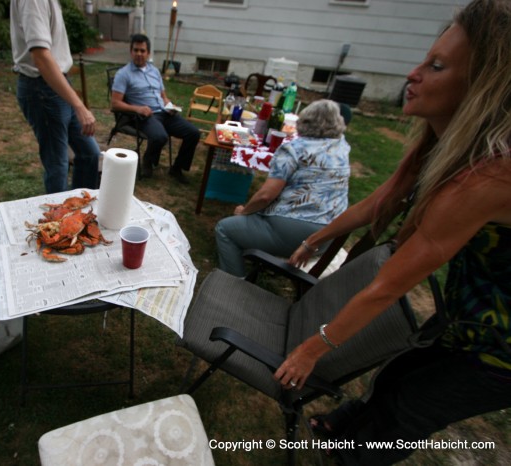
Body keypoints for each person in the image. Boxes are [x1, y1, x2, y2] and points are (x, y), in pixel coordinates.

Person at [273, 1, 511, 464]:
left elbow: (387, 287)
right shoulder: (442, 145)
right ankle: (345, 426)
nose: (413, 73)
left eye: (436, 66)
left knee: (411, 408)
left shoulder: (491, 176)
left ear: (478, 86)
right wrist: (312, 240)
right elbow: (375, 205)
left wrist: (311, 349)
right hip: (468, 313)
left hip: (502, 349)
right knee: (399, 373)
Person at [214, 99, 350, 277]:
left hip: (297, 233)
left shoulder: (294, 149)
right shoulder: (341, 145)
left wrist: (244, 211)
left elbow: (266, 196)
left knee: (225, 229)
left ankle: (234, 280)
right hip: (329, 235)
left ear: (304, 122)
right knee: (253, 222)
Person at [10, 0, 100, 194]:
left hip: (56, 85)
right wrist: (79, 105)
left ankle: (79, 210)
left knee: (89, 153)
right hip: (41, 89)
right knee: (58, 166)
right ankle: (59, 221)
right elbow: (41, 57)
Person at [111, 34, 200, 184]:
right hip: (146, 116)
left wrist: (169, 105)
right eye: (136, 50)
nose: (139, 54)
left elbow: (163, 95)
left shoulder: (154, 71)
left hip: (165, 113)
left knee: (193, 133)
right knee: (160, 137)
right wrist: (137, 109)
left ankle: (177, 168)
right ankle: (148, 160)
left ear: (148, 53)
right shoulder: (123, 74)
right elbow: (115, 104)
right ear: (131, 51)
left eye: (142, 50)